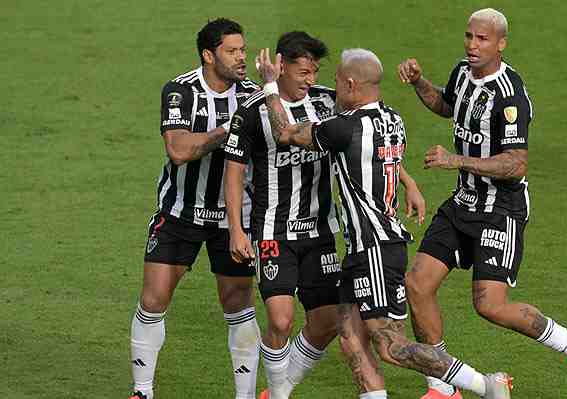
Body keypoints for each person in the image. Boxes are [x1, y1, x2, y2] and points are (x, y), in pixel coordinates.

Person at [255, 47, 513, 399]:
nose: (333, 89)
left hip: (375, 249)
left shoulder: (343, 128)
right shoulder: (392, 119)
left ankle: (485, 385)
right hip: (362, 249)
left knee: (390, 345)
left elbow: (283, 131)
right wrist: (409, 183)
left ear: (350, 83)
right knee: (350, 340)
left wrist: (270, 85)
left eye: (336, 83)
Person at [397, 8, 567, 399]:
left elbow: (516, 163)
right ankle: (443, 385)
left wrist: (455, 160)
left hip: (500, 209)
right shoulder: (463, 73)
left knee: (489, 305)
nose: (473, 45)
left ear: (501, 43)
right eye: (469, 37)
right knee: (417, 284)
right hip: (464, 202)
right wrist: (418, 82)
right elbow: (447, 104)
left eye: (483, 39)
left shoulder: (510, 97)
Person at [129, 18, 260, 399]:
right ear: (208, 54)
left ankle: (245, 395)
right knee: (153, 299)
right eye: (232, 51)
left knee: (238, 303)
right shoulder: (180, 91)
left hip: (235, 217)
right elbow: (179, 149)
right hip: (181, 211)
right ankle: (142, 391)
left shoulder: (252, 96)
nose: (241, 58)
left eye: (243, 50)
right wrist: (226, 131)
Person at [223, 31, 342, 399]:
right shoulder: (253, 111)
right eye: (303, 72)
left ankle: (278, 388)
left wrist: (403, 178)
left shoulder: (327, 103)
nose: (310, 80)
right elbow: (233, 169)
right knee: (280, 319)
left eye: (315, 72)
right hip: (273, 230)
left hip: (320, 229)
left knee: (326, 322)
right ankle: (279, 394)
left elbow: (361, 135)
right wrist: (236, 231)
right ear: (281, 66)